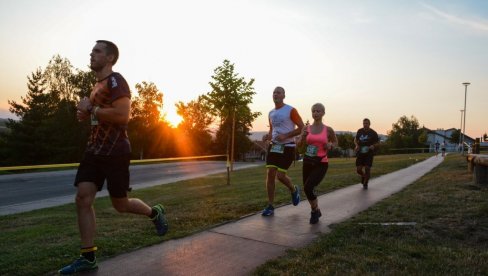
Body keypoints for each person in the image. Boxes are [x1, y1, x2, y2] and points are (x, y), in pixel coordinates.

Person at [59, 40, 168, 274]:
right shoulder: (96, 85)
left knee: (120, 204)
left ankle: (154, 212)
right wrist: (86, 116)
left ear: (109, 58)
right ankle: (88, 256)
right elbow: (100, 117)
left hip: (116, 151)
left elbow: (122, 115)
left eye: (97, 51)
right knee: (82, 198)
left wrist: (92, 110)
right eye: (91, 51)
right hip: (94, 150)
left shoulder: (116, 81)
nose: (91, 54)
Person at [261, 86, 304, 216]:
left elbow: (302, 128)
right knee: (270, 175)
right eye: (274, 92)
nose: (275, 94)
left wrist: (286, 136)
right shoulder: (271, 113)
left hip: (288, 147)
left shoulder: (290, 110)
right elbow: (272, 130)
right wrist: (267, 136)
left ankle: (293, 189)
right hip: (274, 146)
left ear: (284, 96)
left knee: (280, 176)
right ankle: (270, 206)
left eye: (278, 92)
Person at [297, 103, 337, 224]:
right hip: (308, 161)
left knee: (309, 187)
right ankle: (316, 209)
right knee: (306, 189)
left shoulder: (328, 129)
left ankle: (314, 212)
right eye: (313, 111)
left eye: (318, 111)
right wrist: (302, 138)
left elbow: (335, 142)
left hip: (321, 162)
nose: (315, 113)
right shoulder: (306, 128)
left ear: (323, 113)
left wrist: (330, 145)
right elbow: (299, 145)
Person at [354, 118, 379, 189]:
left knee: (367, 168)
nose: (365, 125)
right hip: (360, 153)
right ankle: (364, 176)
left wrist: (373, 146)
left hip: (369, 153)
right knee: (358, 170)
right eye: (364, 123)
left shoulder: (373, 133)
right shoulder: (359, 131)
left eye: (367, 123)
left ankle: (365, 183)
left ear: (369, 124)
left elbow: (377, 143)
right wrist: (356, 145)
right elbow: (355, 139)